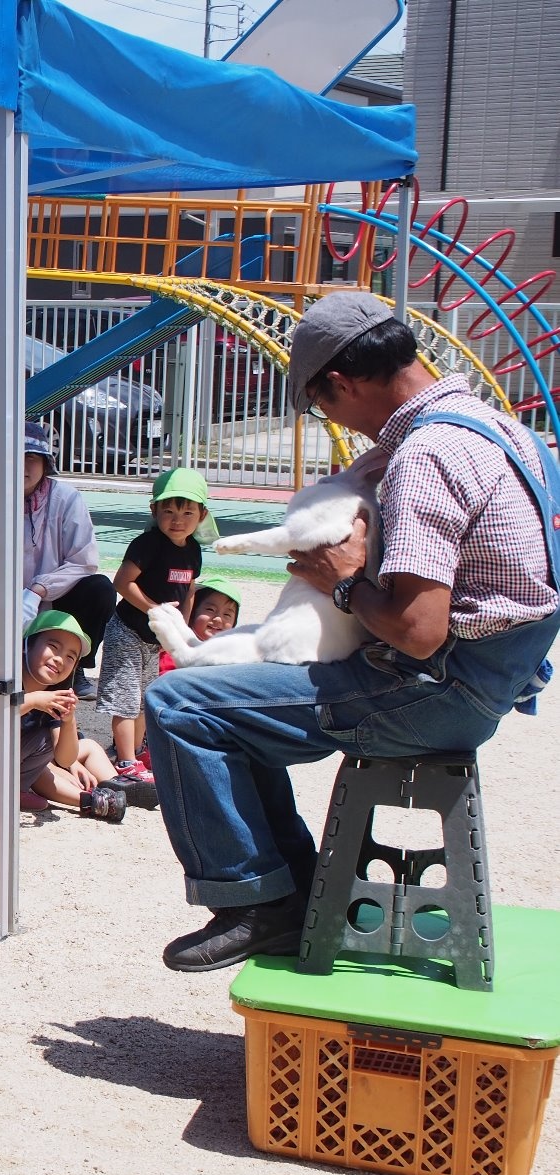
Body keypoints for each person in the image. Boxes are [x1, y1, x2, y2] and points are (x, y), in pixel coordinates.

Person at [148, 292, 560, 972]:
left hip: (432, 688)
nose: (334, 422)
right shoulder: (504, 429)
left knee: (180, 704)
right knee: (237, 683)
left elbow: (418, 632)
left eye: (322, 406)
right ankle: (297, 891)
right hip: (495, 674)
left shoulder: (426, 456)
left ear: (339, 383)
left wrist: (343, 580)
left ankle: (259, 902)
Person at [0, 425, 116, 696]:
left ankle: (74, 669)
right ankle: (16, 676)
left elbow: (83, 561)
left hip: (56, 598)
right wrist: (7, 610)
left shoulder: (67, 499)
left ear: (44, 464)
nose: (21, 467)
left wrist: (39, 590)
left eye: (30, 458)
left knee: (100, 589)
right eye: (12, 458)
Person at [0, 612, 135, 823]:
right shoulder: (5, 676)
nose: (60, 659)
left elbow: (65, 759)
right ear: (27, 645)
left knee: (46, 737)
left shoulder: (53, 697)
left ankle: (8, 789)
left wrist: (68, 722)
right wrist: (32, 700)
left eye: (70, 657)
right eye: (53, 646)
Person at [102, 466, 208, 781]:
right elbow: (122, 582)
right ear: (154, 510)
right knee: (126, 695)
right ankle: (124, 760)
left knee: (148, 695)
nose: (178, 519)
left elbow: (188, 590)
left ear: (201, 515)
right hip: (128, 630)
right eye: (169, 511)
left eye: (188, 512)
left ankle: (134, 753)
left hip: (155, 637)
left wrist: (180, 631)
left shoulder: (193, 550)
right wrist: (154, 610)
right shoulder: (147, 544)